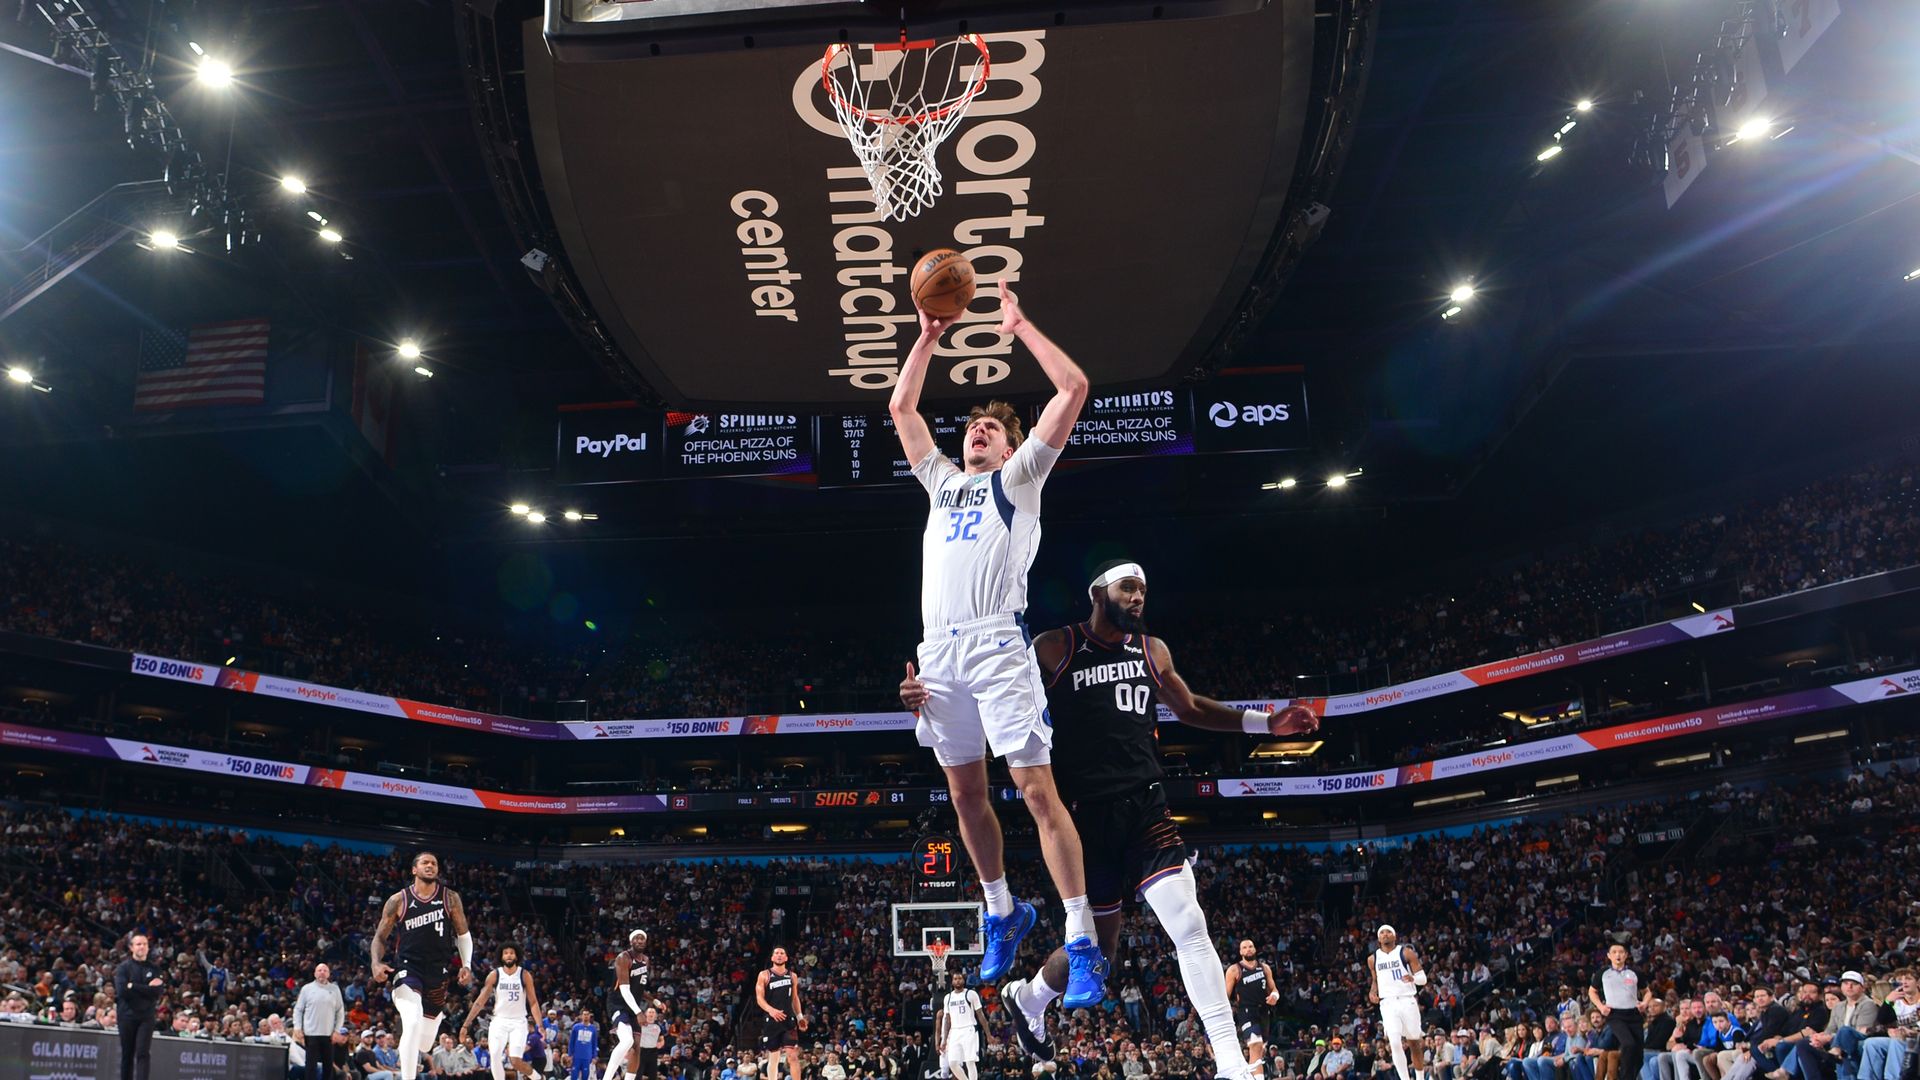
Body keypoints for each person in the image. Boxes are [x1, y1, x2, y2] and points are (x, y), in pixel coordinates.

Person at [906, 560, 1317, 1080]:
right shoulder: (1055, 647)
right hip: (1082, 819)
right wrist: (934, 703)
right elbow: (995, 702)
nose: (1139, 597)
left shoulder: (1151, 650)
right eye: (1128, 588)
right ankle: (1029, 998)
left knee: (1189, 924)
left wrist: (1265, 723)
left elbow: (1190, 707)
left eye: (1143, 589)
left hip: (1146, 807)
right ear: (1098, 593)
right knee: (1102, 949)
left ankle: (1231, 1064)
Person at [889, 280, 1103, 1001]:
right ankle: (1003, 910)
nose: (977, 431)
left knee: (1036, 790)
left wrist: (1021, 327)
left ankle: (1081, 941)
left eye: (991, 427)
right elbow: (902, 408)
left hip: (996, 645)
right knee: (965, 795)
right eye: (973, 426)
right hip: (938, 652)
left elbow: (1073, 388)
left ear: (1013, 445)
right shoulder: (942, 482)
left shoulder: (1019, 479)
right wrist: (927, 337)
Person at [371, 852, 475, 1080]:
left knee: (425, 1043)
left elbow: (463, 934)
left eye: (434, 863)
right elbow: (379, 937)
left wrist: (466, 964)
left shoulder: (450, 898)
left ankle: (420, 1036)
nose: (430, 866)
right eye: (425, 862)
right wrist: (376, 963)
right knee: (412, 1020)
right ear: (414, 870)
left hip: (438, 973)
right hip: (408, 969)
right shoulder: (398, 900)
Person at [462, 944, 542, 1080]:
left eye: (511, 953)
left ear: (517, 956)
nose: (509, 955)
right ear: (501, 956)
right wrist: (466, 1024)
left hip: (518, 1021)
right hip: (499, 1020)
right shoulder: (494, 975)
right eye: (506, 953)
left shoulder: (524, 975)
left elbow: (533, 1002)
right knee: (494, 1056)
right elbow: (480, 1002)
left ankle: (538, 1078)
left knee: (515, 1061)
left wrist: (539, 1025)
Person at [1369, 926, 1429, 1080]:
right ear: (1378, 938)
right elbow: (1375, 980)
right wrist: (1372, 991)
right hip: (1387, 1003)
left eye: (1388, 932)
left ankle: (1420, 1077)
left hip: (1406, 1000)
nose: (1385, 934)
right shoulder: (1372, 959)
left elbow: (1423, 979)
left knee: (1414, 1043)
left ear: (1394, 936)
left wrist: (1413, 978)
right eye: (1382, 932)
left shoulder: (1405, 952)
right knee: (1394, 1042)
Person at [1591, 944, 1654, 1080]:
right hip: (1615, 1015)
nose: (1618, 955)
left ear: (1626, 955)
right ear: (1609, 956)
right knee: (1628, 1044)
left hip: (1634, 1014)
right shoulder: (1603, 973)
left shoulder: (1635, 972)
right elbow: (1592, 991)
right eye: (1614, 952)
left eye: (1621, 952)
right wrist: (1600, 1007)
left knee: (1638, 1057)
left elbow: (1647, 991)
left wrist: (1644, 1003)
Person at [605, 930, 660, 1080]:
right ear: (631, 941)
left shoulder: (646, 960)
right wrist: (639, 1012)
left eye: (643, 939)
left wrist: (654, 1000)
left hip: (632, 1005)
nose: (640, 941)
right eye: (637, 938)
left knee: (636, 1047)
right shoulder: (623, 958)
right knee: (627, 1040)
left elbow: (638, 988)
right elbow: (624, 989)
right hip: (617, 1003)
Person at [113, 932, 167, 1080]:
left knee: (143, 1053)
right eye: (138, 944)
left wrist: (133, 986)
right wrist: (146, 988)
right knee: (127, 1054)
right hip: (126, 1015)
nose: (142, 947)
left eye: (145, 944)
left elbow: (157, 992)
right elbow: (122, 991)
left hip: (146, 1016)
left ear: (148, 948)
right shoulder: (123, 968)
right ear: (131, 947)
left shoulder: (155, 969)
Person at [1229, 941, 1282, 1078]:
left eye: (1250, 946)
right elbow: (1225, 995)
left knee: (1260, 1050)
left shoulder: (1264, 968)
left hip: (1264, 1011)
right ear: (1240, 952)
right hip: (1246, 1011)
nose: (1248, 949)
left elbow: (1274, 989)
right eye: (1244, 947)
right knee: (1255, 1044)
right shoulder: (1234, 969)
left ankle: (1250, 1076)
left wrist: (1274, 996)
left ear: (1255, 949)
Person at [755, 947, 807, 1080]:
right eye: (776, 953)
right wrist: (771, 1010)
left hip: (788, 1020)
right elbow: (759, 998)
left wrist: (800, 1017)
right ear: (772, 958)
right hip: (772, 1020)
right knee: (774, 1057)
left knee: (793, 1056)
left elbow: (794, 998)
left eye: (782, 953)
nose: (779, 955)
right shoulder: (764, 975)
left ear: (786, 958)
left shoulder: (792, 976)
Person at [295, 962, 348, 1080]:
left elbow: (340, 1011)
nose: (322, 973)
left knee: (328, 1066)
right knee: (311, 1066)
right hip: (310, 1033)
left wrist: (337, 1030)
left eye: (325, 970)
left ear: (329, 974)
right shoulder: (307, 989)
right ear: (315, 973)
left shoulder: (335, 989)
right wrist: (297, 1027)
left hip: (329, 1034)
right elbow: (298, 1010)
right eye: (319, 970)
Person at [935, 971, 990, 1080]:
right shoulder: (948, 997)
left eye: (960, 978)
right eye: (955, 979)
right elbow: (947, 1020)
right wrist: (944, 1040)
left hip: (969, 1029)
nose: (958, 981)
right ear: (952, 981)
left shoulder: (971, 994)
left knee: (970, 1061)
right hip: (955, 1031)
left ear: (963, 980)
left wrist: (988, 1034)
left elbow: (981, 1015)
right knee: (952, 1063)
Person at [569, 1008, 601, 1080]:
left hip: (587, 1057)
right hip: (576, 1056)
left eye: (587, 1014)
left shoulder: (593, 1028)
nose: (586, 1016)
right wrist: (570, 1054)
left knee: (585, 1076)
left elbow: (594, 1043)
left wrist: (594, 1056)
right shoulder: (576, 1027)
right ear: (581, 1016)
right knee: (574, 1076)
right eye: (584, 1014)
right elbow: (571, 1042)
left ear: (590, 1016)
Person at [638, 1008, 664, 1080]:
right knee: (638, 1073)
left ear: (655, 1015)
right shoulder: (640, 1025)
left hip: (653, 1052)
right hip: (641, 1051)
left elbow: (662, 1039)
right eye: (649, 1012)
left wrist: (661, 1044)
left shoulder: (658, 1026)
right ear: (646, 1014)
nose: (651, 1014)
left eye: (653, 1012)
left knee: (653, 1073)